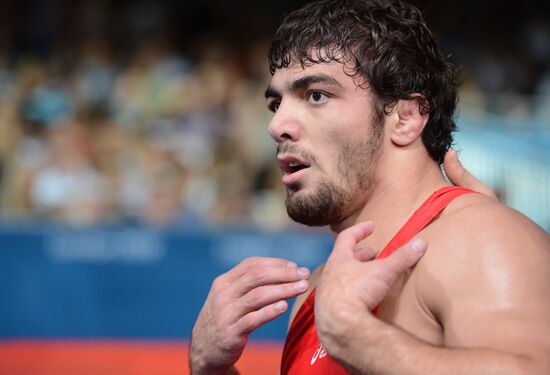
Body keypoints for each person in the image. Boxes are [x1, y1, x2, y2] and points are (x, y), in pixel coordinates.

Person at [189, 1, 550, 374]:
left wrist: (356, 337)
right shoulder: (321, 292)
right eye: (276, 104)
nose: (277, 124)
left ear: (406, 118)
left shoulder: (479, 238)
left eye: (316, 95)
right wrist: (213, 370)